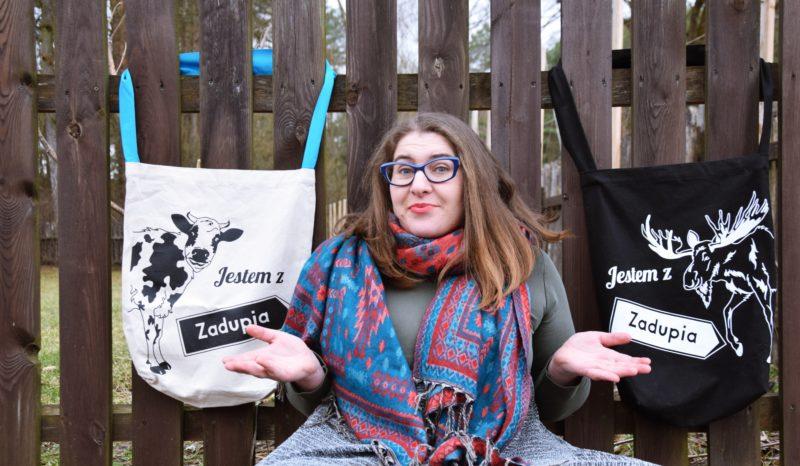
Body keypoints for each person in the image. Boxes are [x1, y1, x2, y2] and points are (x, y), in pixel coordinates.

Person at [224, 113, 655, 466]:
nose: (418, 184)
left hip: (502, 452)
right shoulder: (339, 267)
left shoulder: (523, 265)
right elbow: (317, 408)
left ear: (473, 179)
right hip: (354, 451)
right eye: (403, 170)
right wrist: (309, 377)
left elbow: (553, 408)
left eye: (440, 168)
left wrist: (562, 370)